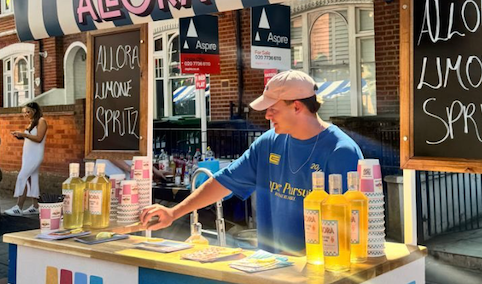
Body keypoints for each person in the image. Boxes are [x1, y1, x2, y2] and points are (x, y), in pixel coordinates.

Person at [141, 70, 363, 254]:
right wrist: (174, 213)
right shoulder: (268, 142)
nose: (267, 115)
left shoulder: (341, 152)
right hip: (271, 268)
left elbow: (352, 226)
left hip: (319, 272)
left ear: (297, 107)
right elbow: (224, 182)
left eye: (273, 109)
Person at [5, 101, 48, 216]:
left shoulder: (41, 121)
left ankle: (18, 207)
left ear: (35, 110)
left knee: (22, 177)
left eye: (28, 112)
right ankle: (36, 206)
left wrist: (24, 134)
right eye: (24, 112)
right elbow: (31, 138)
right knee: (31, 179)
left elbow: (39, 138)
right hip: (28, 155)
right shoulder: (32, 123)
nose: (25, 114)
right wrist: (20, 136)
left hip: (35, 156)